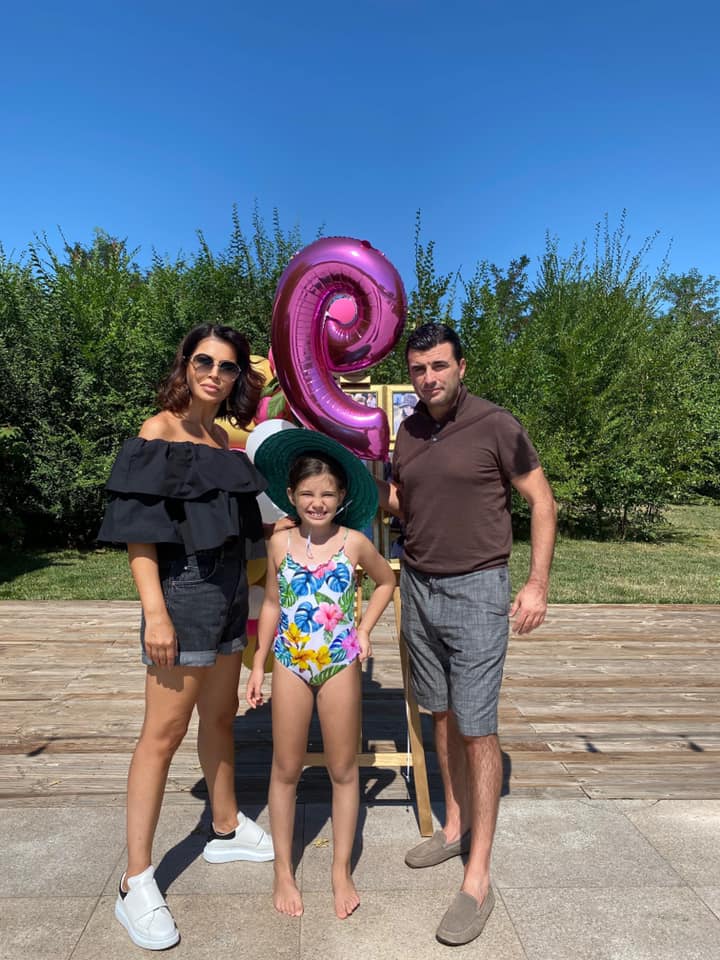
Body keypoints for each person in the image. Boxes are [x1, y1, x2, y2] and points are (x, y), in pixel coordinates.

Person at [377, 322, 556, 947]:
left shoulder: (496, 425)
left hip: (478, 588)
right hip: (419, 586)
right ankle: (454, 827)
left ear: (461, 368)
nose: (429, 377)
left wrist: (536, 585)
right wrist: (367, 483)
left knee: (478, 727)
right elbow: (408, 504)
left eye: (439, 366)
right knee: (441, 712)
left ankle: (477, 878)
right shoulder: (408, 430)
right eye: (419, 368)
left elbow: (542, 501)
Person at [98, 324, 275, 951]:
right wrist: (156, 613)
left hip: (228, 590)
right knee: (163, 734)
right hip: (182, 591)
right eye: (205, 361)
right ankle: (134, 881)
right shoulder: (159, 431)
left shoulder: (224, 440)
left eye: (228, 367)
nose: (214, 374)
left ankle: (224, 828)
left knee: (220, 718)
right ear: (186, 364)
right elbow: (138, 532)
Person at [247, 429, 395, 920]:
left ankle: (340, 869)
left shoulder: (354, 543)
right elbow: (272, 603)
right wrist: (258, 663)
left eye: (328, 493)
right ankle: (283, 870)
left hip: (339, 662)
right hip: (289, 661)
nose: (317, 502)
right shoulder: (279, 543)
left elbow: (386, 581)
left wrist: (365, 630)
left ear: (342, 496)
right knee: (285, 768)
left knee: (343, 769)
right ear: (291, 495)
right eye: (308, 493)